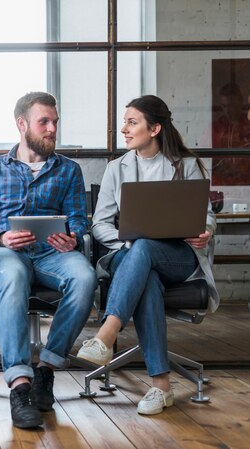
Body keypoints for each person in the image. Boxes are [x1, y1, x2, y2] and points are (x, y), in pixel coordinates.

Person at [76, 95, 219, 415]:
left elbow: (206, 216)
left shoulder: (187, 166)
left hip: (177, 257)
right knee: (145, 269)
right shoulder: (117, 168)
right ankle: (161, 387)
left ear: (154, 128)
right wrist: (126, 242)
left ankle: (106, 333)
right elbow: (99, 225)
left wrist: (204, 231)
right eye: (124, 122)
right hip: (128, 254)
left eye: (131, 122)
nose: (123, 129)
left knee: (145, 251)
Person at [0, 92, 97, 429]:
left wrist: (72, 236)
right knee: (12, 275)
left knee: (84, 277)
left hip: (51, 252)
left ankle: (46, 370)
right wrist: (0, 237)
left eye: (55, 122)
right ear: (22, 124)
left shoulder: (68, 170)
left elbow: (79, 220)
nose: (52, 128)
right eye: (45, 122)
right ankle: (20, 387)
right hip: (5, 252)